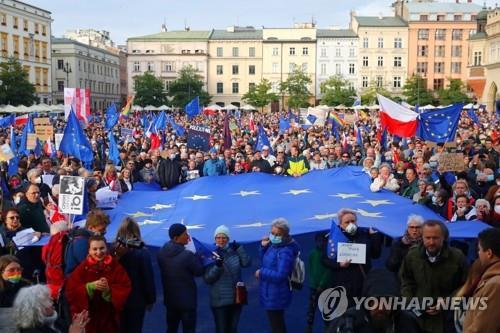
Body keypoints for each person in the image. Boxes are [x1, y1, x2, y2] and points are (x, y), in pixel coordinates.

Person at [399, 220, 468, 333]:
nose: (431, 242)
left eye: (435, 238)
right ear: (422, 237)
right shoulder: (413, 255)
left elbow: (466, 285)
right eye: (427, 238)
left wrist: (447, 301)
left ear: (444, 238)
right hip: (418, 319)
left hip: (447, 320)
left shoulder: (457, 257)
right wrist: (412, 303)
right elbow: (406, 280)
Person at [65, 235, 131, 333]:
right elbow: (70, 291)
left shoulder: (115, 267)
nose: (98, 252)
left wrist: (108, 291)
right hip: (90, 321)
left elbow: (125, 286)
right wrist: (89, 288)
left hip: (109, 320)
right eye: (94, 249)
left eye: (101, 248)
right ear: (89, 251)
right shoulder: (82, 269)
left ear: (106, 248)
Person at [326, 269, 420, 333]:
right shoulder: (347, 322)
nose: (381, 307)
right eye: (375, 301)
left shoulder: (408, 323)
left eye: (387, 302)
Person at [322, 208, 382, 306]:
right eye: (347, 222)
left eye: (353, 221)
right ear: (340, 224)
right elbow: (325, 260)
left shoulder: (364, 234)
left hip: (362, 284)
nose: (351, 224)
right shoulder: (333, 238)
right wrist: (339, 264)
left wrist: (374, 237)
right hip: (341, 283)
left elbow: (376, 254)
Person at [203, 225, 251, 333]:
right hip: (220, 300)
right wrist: (217, 266)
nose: (221, 240)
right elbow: (207, 279)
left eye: (224, 237)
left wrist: (240, 249)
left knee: (233, 329)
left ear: (228, 239)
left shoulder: (234, 251)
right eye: (218, 237)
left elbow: (246, 263)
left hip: (236, 298)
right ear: (215, 239)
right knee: (222, 330)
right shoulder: (210, 255)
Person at [157, 223, 204, 333]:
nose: (188, 236)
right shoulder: (187, 255)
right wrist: (198, 256)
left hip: (170, 301)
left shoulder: (161, 253)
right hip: (187, 303)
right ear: (176, 237)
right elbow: (199, 271)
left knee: (171, 329)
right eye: (185, 234)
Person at [256, 218, 300, 333]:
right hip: (269, 293)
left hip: (277, 295)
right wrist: (263, 247)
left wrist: (261, 273)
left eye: (278, 234)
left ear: (285, 235)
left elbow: (281, 275)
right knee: (276, 325)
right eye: (272, 233)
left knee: (277, 327)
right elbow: (266, 262)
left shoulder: (285, 251)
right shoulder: (273, 246)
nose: (274, 236)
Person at [112, 217, 156, 333]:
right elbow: (147, 278)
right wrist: (151, 299)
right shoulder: (142, 253)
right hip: (136, 301)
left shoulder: (112, 250)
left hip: (116, 300)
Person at [462, 228, 500, 332]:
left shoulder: (495, 285)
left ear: (489, 253)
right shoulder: (491, 279)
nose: (478, 254)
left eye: (479, 249)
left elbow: (482, 329)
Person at [13, 284, 89, 333]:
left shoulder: (55, 320)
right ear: (37, 307)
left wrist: (76, 326)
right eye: (48, 299)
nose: (53, 300)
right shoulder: (31, 331)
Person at [64, 209, 111, 275]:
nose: (104, 232)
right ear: (91, 228)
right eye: (101, 230)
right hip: (75, 279)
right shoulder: (81, 243)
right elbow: (90, 267)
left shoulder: (90, 237)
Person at [305, 231, 331, 333]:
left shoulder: (329, 255)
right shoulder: (312, 253)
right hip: (313, 287)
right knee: (311, 307)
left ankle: (327, 328)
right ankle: (309, 327)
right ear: (315, 241)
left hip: (326, 288)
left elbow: (329, 271)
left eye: (323, 241)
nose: (320, 243)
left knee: (326, 308)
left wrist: (322, 284)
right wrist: (313, 284)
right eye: (318, 241)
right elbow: (311, 269)